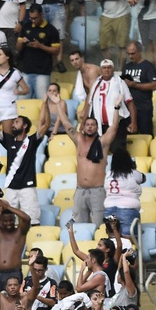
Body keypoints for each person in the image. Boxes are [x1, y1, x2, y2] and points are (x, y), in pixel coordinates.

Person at [0, 91, 48, 226]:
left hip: (27, 187)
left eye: (17, 122)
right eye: (13, 122)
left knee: (32, 221)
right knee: (7, 222)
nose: (13, 124)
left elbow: (45, 125)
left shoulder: (31, 141)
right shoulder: (9, 140)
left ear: (24, 126)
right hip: (11, 188)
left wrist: (45, 103)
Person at [59, 95, 119, 226]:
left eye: (93, 125)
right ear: (83, 127)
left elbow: (114, 127)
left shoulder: (102, 142)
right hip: (80, 190)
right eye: (87, 125)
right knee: (80, 226)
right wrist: (58, 104)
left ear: (97, 128)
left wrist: (116, 108)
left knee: (100, 225)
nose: (90, 127)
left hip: (97, 191)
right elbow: (66, 124)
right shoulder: (79, 140)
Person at [82, 59, 136, 153]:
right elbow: (89, 104)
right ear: (101, 70)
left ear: (113, 69)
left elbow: (130, 102)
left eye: (109, 67)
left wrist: (133, 122)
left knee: (118, 150)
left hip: (118, 124)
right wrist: (83, 123)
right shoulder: (96, 84)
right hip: (100, 125)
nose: (107, 70)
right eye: (104, 68)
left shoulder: (120, 82)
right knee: (100, 152)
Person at [16, 3, 61, 100]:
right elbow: (18, 48)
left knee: (42, 101)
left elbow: (56, 51)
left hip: (43, 72)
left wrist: (40, 46)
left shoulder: (51, 30)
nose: (33, 20)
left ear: (42, 15)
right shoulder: (26, 27)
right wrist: (21, 43)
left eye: (35, 18)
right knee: (22, 102)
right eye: (31, 18)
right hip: (26, 71)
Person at [103, 148, 144, 237]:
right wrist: (133, 168)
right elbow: (143, 178)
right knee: (128, 237)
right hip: (128, 208)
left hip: (109, 208)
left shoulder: (109, 173)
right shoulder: (133, 173)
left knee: (113, 238)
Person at [121, 41, 156, 136]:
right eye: (128, 54)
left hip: (144, 108)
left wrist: (135, 85)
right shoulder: (126, 67)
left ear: (140, 51)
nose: (130, 56)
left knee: (146, 135)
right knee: (130, 137)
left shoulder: (148, 66)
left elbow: (154, 85)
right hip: (128, 108)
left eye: (133, 53)